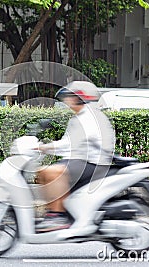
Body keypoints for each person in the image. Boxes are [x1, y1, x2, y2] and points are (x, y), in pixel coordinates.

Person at [35, 81, 115, 232]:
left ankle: (57, 216)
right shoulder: (78, 118)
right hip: (79, 160)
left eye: (71, 97)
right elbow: (69, 145)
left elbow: (71, 144)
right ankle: (57, 211)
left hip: (93, 163)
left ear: (80, 98)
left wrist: (46, 147)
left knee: (52, 172)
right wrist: (46, 149)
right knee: (42, 172)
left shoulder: (90, 117)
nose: (67, 101)